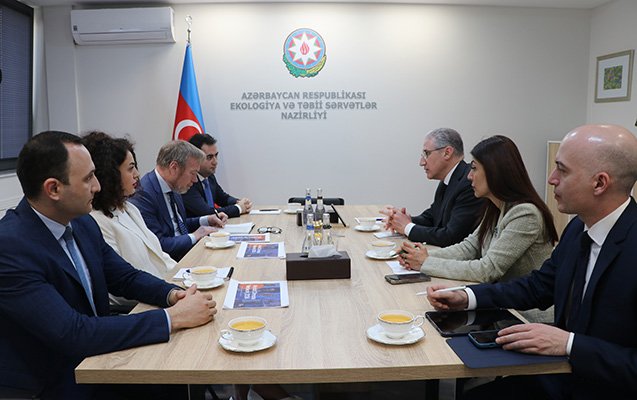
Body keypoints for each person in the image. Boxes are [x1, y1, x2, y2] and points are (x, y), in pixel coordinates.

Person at [0, 131, 217, 400]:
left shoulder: (81, 223)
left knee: (176, 378)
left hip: (94, 358)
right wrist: (173, 318)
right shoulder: (10, 247)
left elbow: (124, 277)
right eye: (88, 178)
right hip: (51, 381)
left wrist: (174, 295)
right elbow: (72, 333)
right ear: (53, 189)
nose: (98, 187)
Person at [427, 124, 637, 399]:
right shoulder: (577, 229)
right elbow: (536, 287)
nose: (551, 179)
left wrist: (570, 344)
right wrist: (466, 297)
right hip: (563, 374)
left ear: (599, 183)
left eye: (562, 170)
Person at [400, 135, 558, 322]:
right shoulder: (496, 207)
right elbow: (469, 247)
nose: (469, 175)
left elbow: (487, 269)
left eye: (474, 168)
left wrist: (426, 263)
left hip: (527, 316)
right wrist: (420, 256)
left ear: (495, 172)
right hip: (500, 304)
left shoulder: (525, 214)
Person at [82, 131, 177, 310]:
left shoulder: (129, 208)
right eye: (130, 168)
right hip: (141, 307)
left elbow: (159, 255)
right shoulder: (94, 221)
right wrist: (172, 292)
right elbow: (120, 286)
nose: (137, 174)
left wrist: (185, 278)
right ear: (110, 175)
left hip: (164, 292)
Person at [381, 128, 484, 247]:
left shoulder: (468, 182)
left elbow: (451, 236)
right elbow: (433, 217)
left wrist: (407, 227)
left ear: (447, 152)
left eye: (426, 154)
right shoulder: (450, 178)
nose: (421, 162)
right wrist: (403, 220)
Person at [130, 140, 227, 261]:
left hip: (188, 254)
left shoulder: (174, 184)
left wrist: (206, 220)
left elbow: (178, 223)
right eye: (193, 173)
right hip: (172, 263)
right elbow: (158, 244)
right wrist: (194, 236)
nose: (195, 180)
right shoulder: (144, 194)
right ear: (174, 167)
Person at [183, 133, 252, 218]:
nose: (215, 162)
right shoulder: (188, 181)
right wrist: (238, 208)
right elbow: (207, 213)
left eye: (216, 155)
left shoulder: (209, 176)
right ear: (195, 158)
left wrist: (239, 202)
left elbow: (223, 198)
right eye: (209, 157)